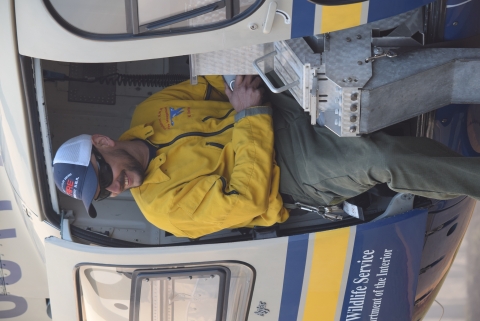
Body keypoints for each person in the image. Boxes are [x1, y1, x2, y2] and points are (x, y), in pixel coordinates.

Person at [53, 75, 480, 238]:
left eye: (103, 175)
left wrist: (247, 86)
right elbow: (250, 198)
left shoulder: (150, 113)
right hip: (288, 172)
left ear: (102, 142)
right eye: (103, 194)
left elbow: (212, 84)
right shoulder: (164, 210)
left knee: (361, 71)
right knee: (378, 158)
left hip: (274, 112)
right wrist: (251, 114)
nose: (113, 187)